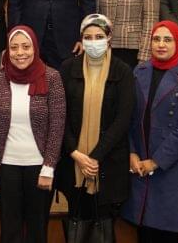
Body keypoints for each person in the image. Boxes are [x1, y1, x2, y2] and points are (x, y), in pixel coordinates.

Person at [0, 26, 66, 243]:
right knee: (10, 230)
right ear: (7, 50)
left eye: (26, 47)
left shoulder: (52, 77)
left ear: (34, 48)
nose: (20, 53)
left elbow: (57, 126)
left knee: (37, 230)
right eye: (14, 47)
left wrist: (49, 167)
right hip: (6, 166)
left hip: (40, 167)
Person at [121, 20, 178, 243]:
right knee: (144, 233)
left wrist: (156, 162)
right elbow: (128, 117)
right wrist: (131, 152)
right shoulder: (139, 71)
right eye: (156, 39)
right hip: (140, 166)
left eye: (167, 39)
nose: (161, 44)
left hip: (171, 170)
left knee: (167, 234)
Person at [56, 15, 135, 237]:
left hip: (108, 162)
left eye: (99, 36)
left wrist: (94, 157)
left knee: (103, 225)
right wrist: (76, 154)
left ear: (109, 38)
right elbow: (60, 114)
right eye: (88, 37)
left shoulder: (123, 71)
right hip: (73, 162)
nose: (93, 42)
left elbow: (123, 119)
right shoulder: (67, 68)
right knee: (77, 220)